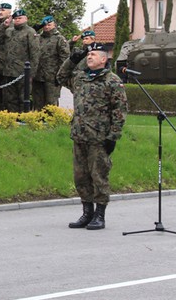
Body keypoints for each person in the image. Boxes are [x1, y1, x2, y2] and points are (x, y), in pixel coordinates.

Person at [58, 42, 127, 230]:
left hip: (99, 138)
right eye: (88, 55)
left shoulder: (112, 81)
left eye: (94, 55)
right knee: (81, 177)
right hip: (79, 135)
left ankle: (100, 215)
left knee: (99, 176)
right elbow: (61, 76)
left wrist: (113, 137)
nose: (89, 57)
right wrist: (72, 60)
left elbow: (119, 111)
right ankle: (87, 213)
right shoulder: (81, 78)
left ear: (104, 59)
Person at [0, 8, 40, 113]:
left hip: (23, 72)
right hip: (8, 71)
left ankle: (24, 119)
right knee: (9, 99)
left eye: (20, 18)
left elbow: (35, 53)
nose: (17, 20)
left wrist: (31, 73)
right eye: (15, 18)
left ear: (26, 19)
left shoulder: (30, 32)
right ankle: (12, 119)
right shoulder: (9, 31)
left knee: (23, 97)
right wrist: (4, 26)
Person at [32, 15, 70, 110]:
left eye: (49, 25)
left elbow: (64, 59)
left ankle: (51, 123)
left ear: (54, 25)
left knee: (51, 103)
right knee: (38, 102)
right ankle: (38, 122)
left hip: (52, 76)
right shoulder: (38, 38)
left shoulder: (59, 39)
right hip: (37, 75)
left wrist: (61, 75)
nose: (47, 27)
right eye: (45, 25)